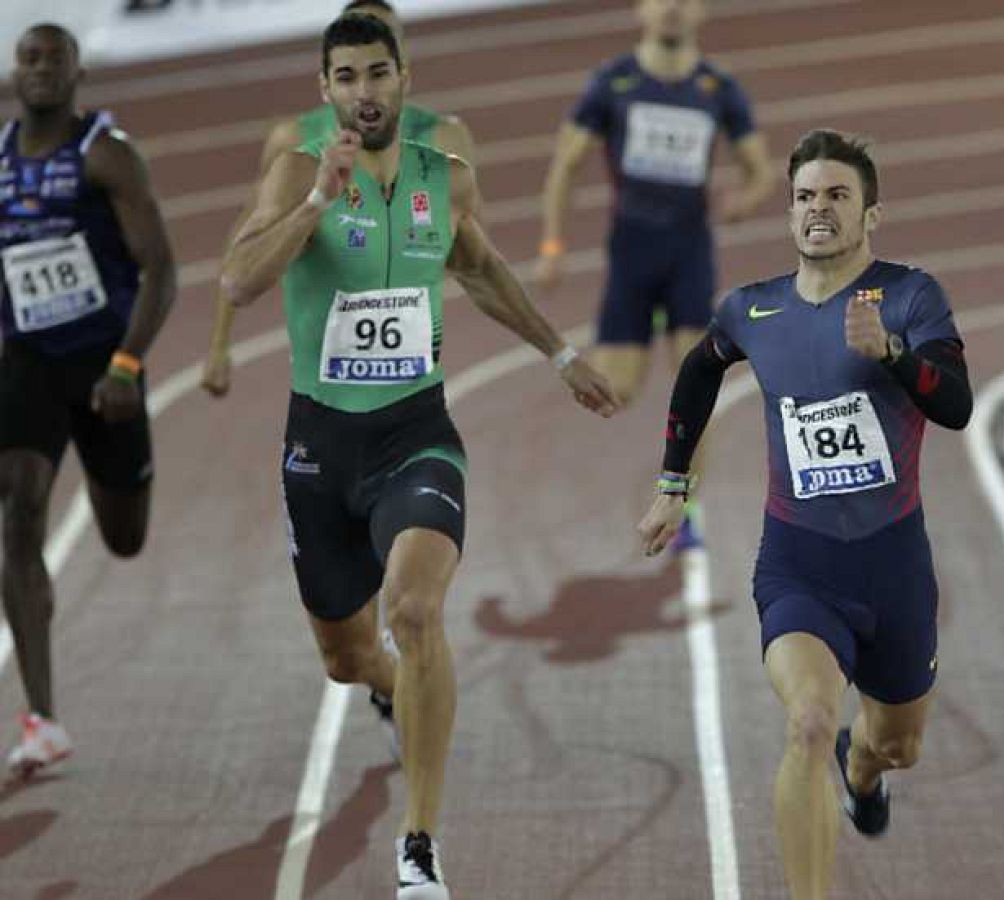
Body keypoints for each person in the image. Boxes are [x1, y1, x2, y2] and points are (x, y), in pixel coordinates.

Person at [220, 15, 617, 899]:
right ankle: (397, 689)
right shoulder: (298, 167)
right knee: (345, 657)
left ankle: (420, 844)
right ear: (325, 89)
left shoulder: (446, 176)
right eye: (347, 77)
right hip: (320, 448)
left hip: (417, 435)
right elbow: (239, 279)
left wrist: (560, 356)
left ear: (405, 80)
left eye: (378, 74)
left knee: (415, 607)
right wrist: (318, 201)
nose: (365, 92)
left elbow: (480, 270)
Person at [637, 129, 972, 900]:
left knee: (898, 746)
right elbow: (697, 372)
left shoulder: (911, 294)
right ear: (789, 212)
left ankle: (864, 770)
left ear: (871, 214)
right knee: (809, 722)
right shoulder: (754, 308)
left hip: (894, 569)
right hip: (798, 565)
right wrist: (672, 483)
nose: (818, 209)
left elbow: (954, 404)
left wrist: (891, 351)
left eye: (837, 195)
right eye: (805, 197)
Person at [0, 23, 177, 777]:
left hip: (106, 367)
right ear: (14, 72)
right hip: (30, 360)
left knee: (124, 537)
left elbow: (161, 270)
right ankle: (42, 718)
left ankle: (121, 473)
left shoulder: (108, 153)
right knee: (21, 508)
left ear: (77, 73)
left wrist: (129, 365)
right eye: (28, 58)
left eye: (55, 59)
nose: (40, 70)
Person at [538, 0, 774, 547]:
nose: (672, 9)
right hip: (631, 257)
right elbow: (564, 165)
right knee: (615, 390)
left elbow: (760, 169)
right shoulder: (613, 84)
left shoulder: (718, 88)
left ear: (701, 13)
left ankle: (683, 508)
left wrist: (747, 198)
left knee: (699, 385)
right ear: (642, 10)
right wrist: (553, 244)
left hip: (689, 255)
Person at [201, 0, 476, 398]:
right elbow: (247, 239)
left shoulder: (443, 138)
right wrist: (219, 345)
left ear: (400, 59)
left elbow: (471, 251)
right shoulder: (295, 141)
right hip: (325, 359)